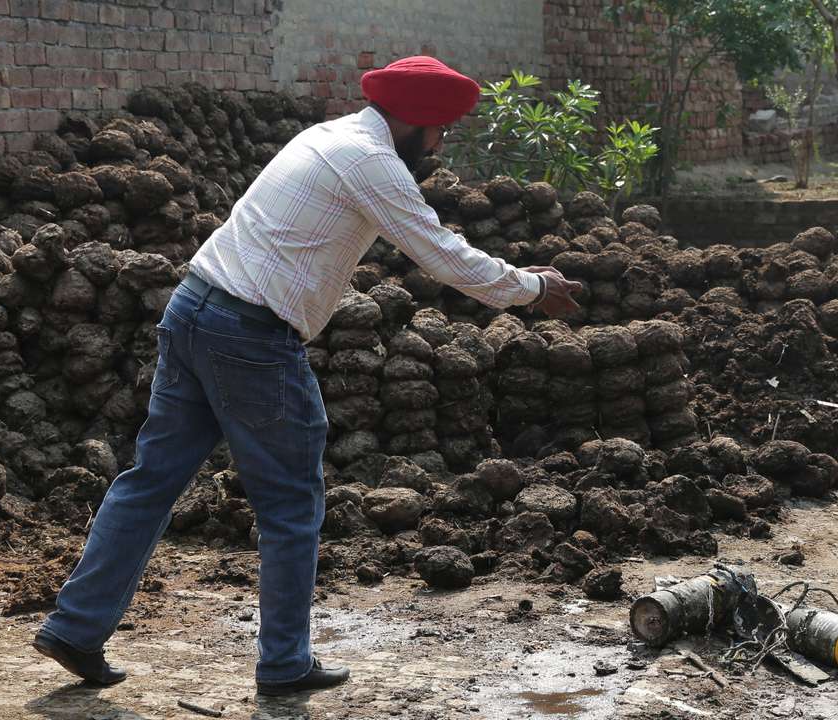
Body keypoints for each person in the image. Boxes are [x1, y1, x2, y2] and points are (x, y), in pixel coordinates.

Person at [31, 56, 583, 696]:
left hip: (195, 307)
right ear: (413, 120)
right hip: (250, 335)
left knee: (151, 480)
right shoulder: (371, 164)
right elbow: (442, 255)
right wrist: (534, 287)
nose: (439, 145)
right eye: (440, 130)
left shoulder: (326, 137)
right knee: (291, 503)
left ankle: (75, 627)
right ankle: (285, 664)